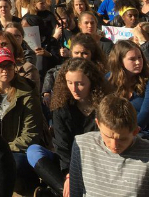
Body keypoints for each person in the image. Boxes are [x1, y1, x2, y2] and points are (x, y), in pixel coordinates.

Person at [28, 58, 108, 197]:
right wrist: (69, 175)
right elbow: (62, 145)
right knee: (33, 151)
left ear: (92, 82)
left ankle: (57, 192)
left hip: (96, 163)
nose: (74, 89)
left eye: (80, 84)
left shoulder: (104, 106)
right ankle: (64, 191)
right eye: (69, 83)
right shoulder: (61, 107)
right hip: (68, 162)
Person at [69, 94, 149, 196]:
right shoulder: (82, 145)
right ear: (98, 124)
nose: (114, 145)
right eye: (108, 137)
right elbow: (76, 191)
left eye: (122, 139)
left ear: (135, 131)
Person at [0, 47, 46, 178]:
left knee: (11, 164)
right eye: (0, 66)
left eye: (9, 65)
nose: (5, 70)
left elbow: (31, 135)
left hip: (16, 149)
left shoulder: (27, 94)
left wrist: (2, 148)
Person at [107, 40, 149, 131]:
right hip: (115, 131)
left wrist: (125, 133)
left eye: (139, 57)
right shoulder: (109, 79)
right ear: (120, 61)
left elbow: (146, 114)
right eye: (132, 59)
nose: (138, 62)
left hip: (146, 133)